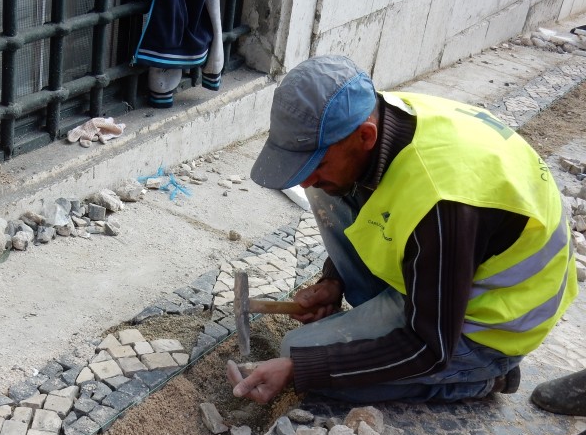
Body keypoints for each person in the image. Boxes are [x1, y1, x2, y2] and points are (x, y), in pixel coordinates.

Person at [231, 54, 578, 405]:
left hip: (487, 324)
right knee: (327, 188)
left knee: (303, 357)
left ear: (366, 136)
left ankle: (484, 376)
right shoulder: (383, 115)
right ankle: (383, 308)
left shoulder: (443, 204)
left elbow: (429, 347)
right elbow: (377, 206)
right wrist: (334, 280)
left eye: (315, 161)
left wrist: (300, 370)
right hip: (444, 271)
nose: (302, 178)